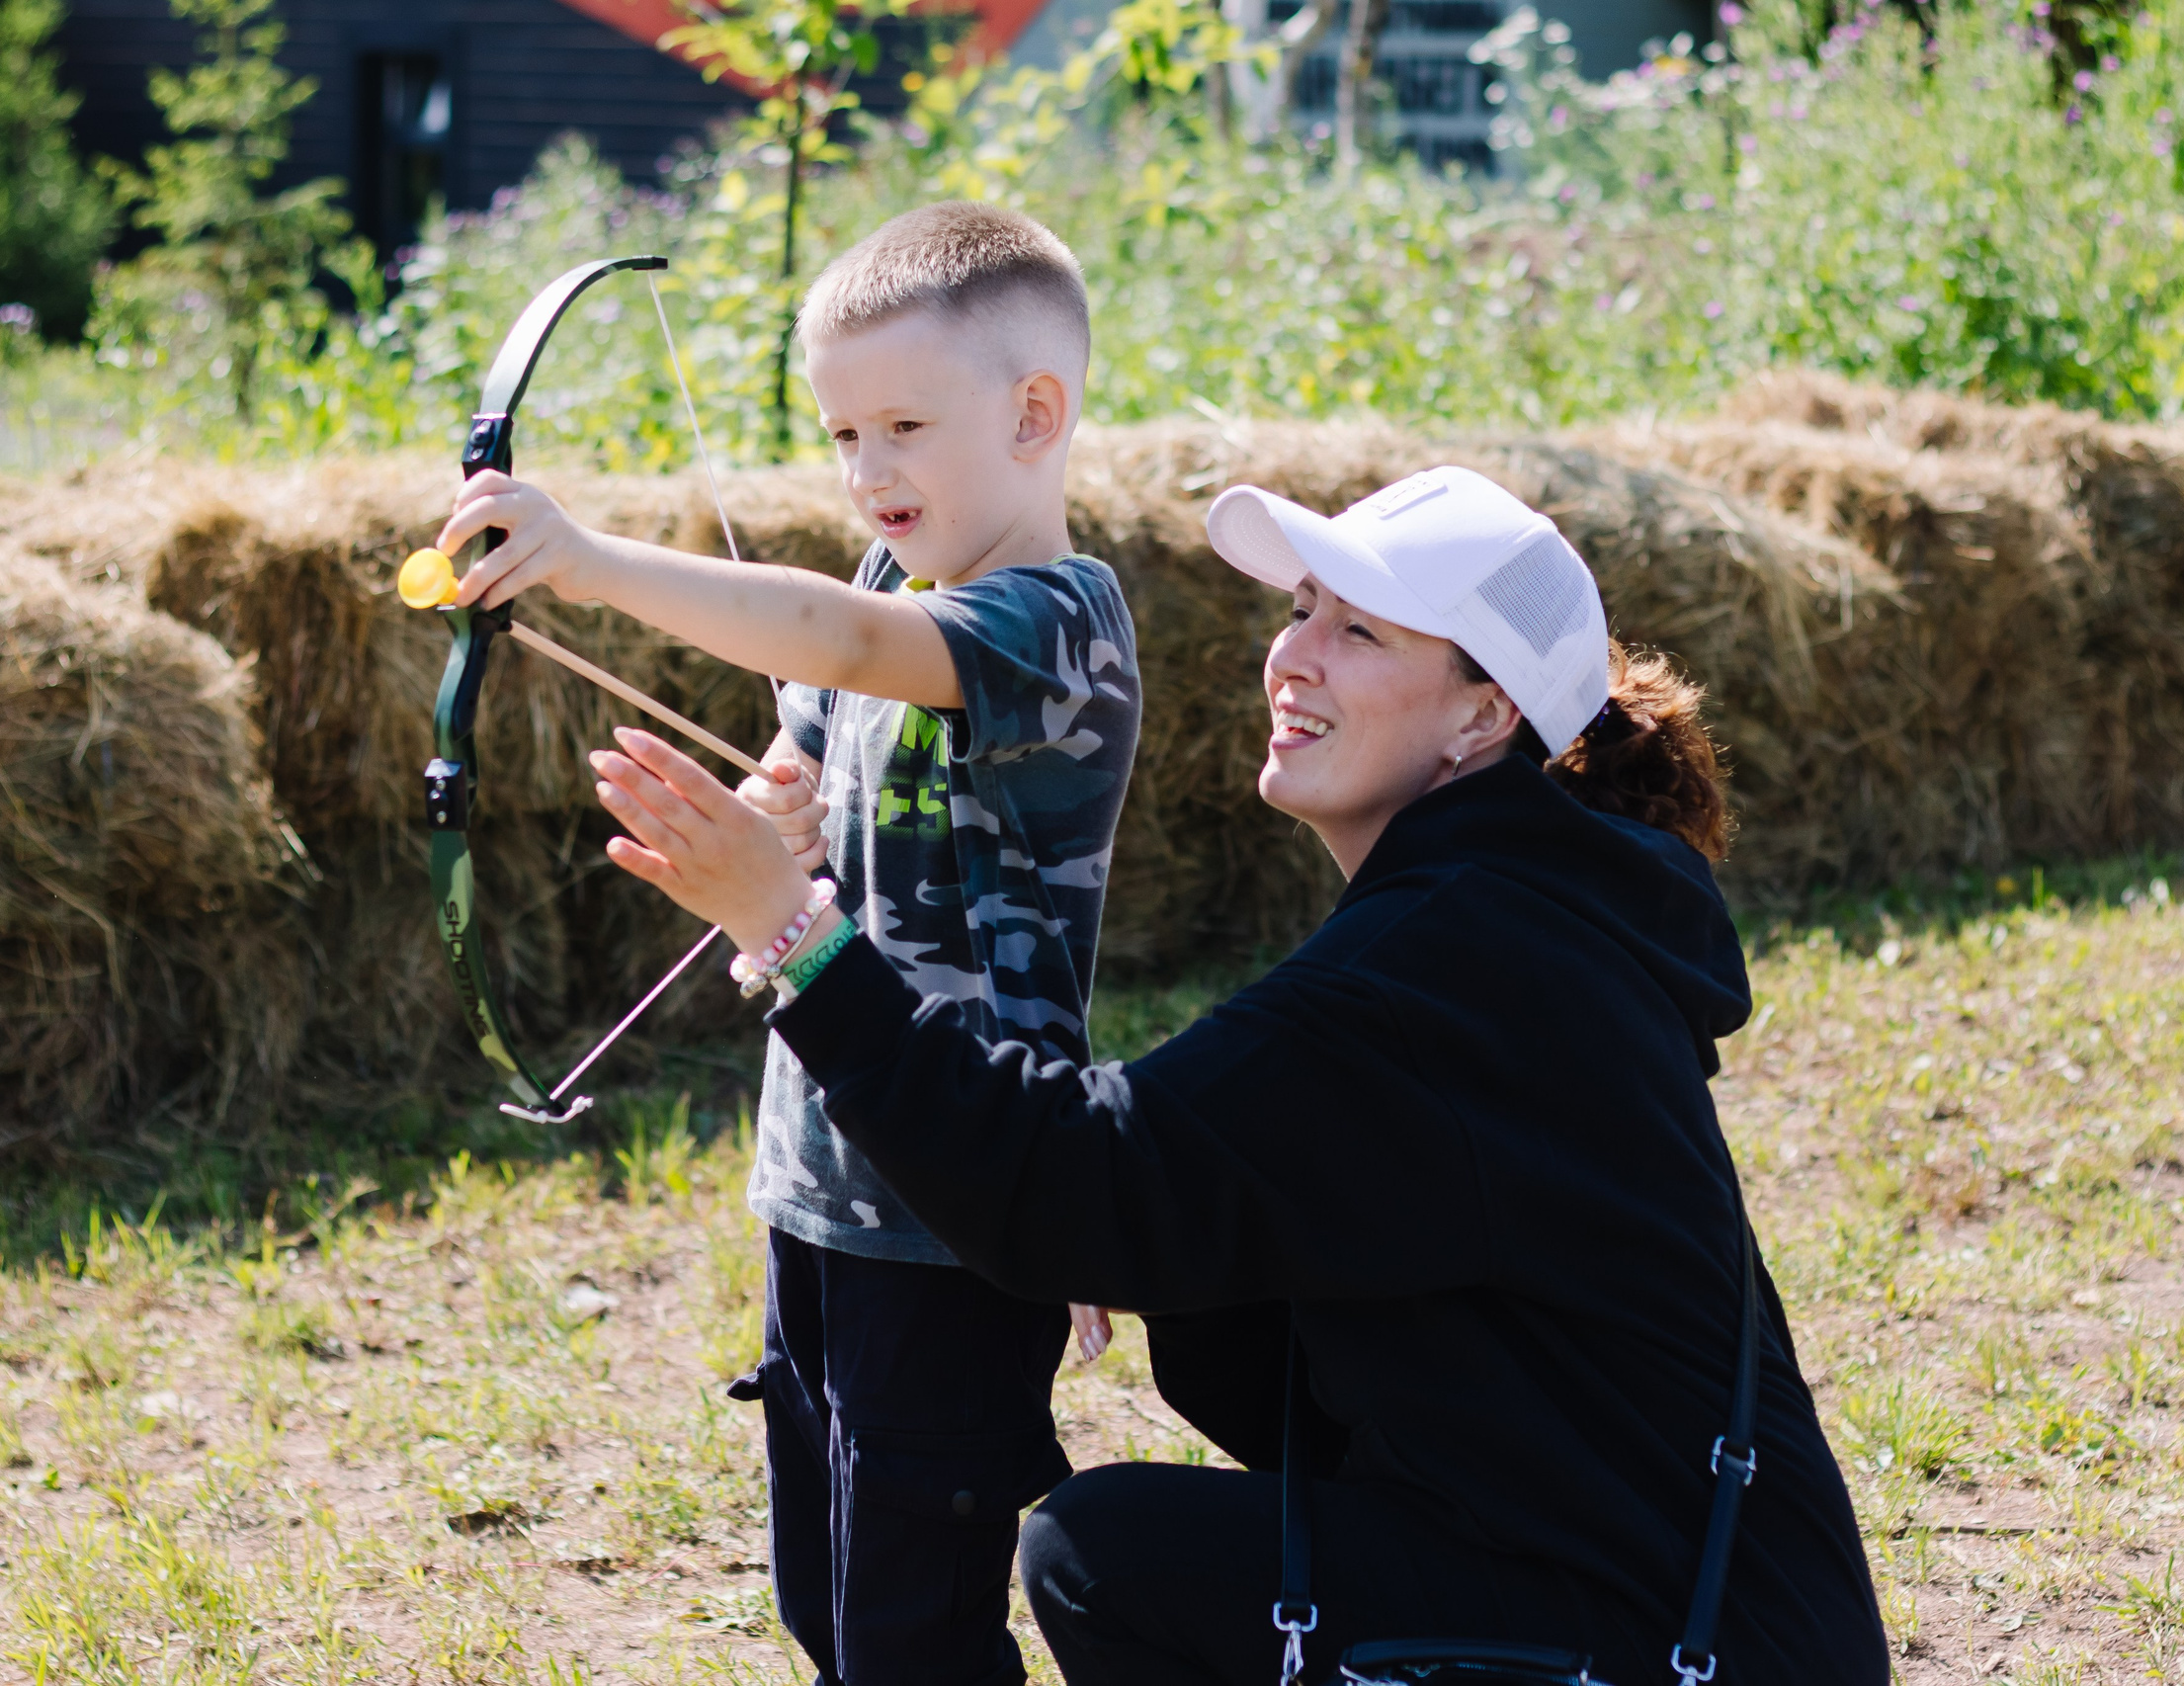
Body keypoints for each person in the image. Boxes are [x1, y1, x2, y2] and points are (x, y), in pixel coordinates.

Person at [587, 465, 1887, 1683]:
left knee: (1107, 1558)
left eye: (1360, 631)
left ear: (1483, 713)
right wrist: (1126, 1219)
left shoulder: (1450, 959)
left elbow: (1083, 1181)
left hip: (1673, 1638)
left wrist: (795, 933)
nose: (1293, 654)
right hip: (1704, 1603)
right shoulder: (1520, 919)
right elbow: (1179, 1189)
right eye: (1303, 608)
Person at [436, 204, 1142, 1685]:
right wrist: (780, 810)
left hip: (957, 1199)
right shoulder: (889, 584)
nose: (867, 472)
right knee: (827, 1606)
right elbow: (816, 742)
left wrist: (586, 557)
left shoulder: (1058, 624)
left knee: (913, 1633)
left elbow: (839, 644)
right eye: (841, 436)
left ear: (1035, 414)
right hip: (819, 1178)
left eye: (904, 427)